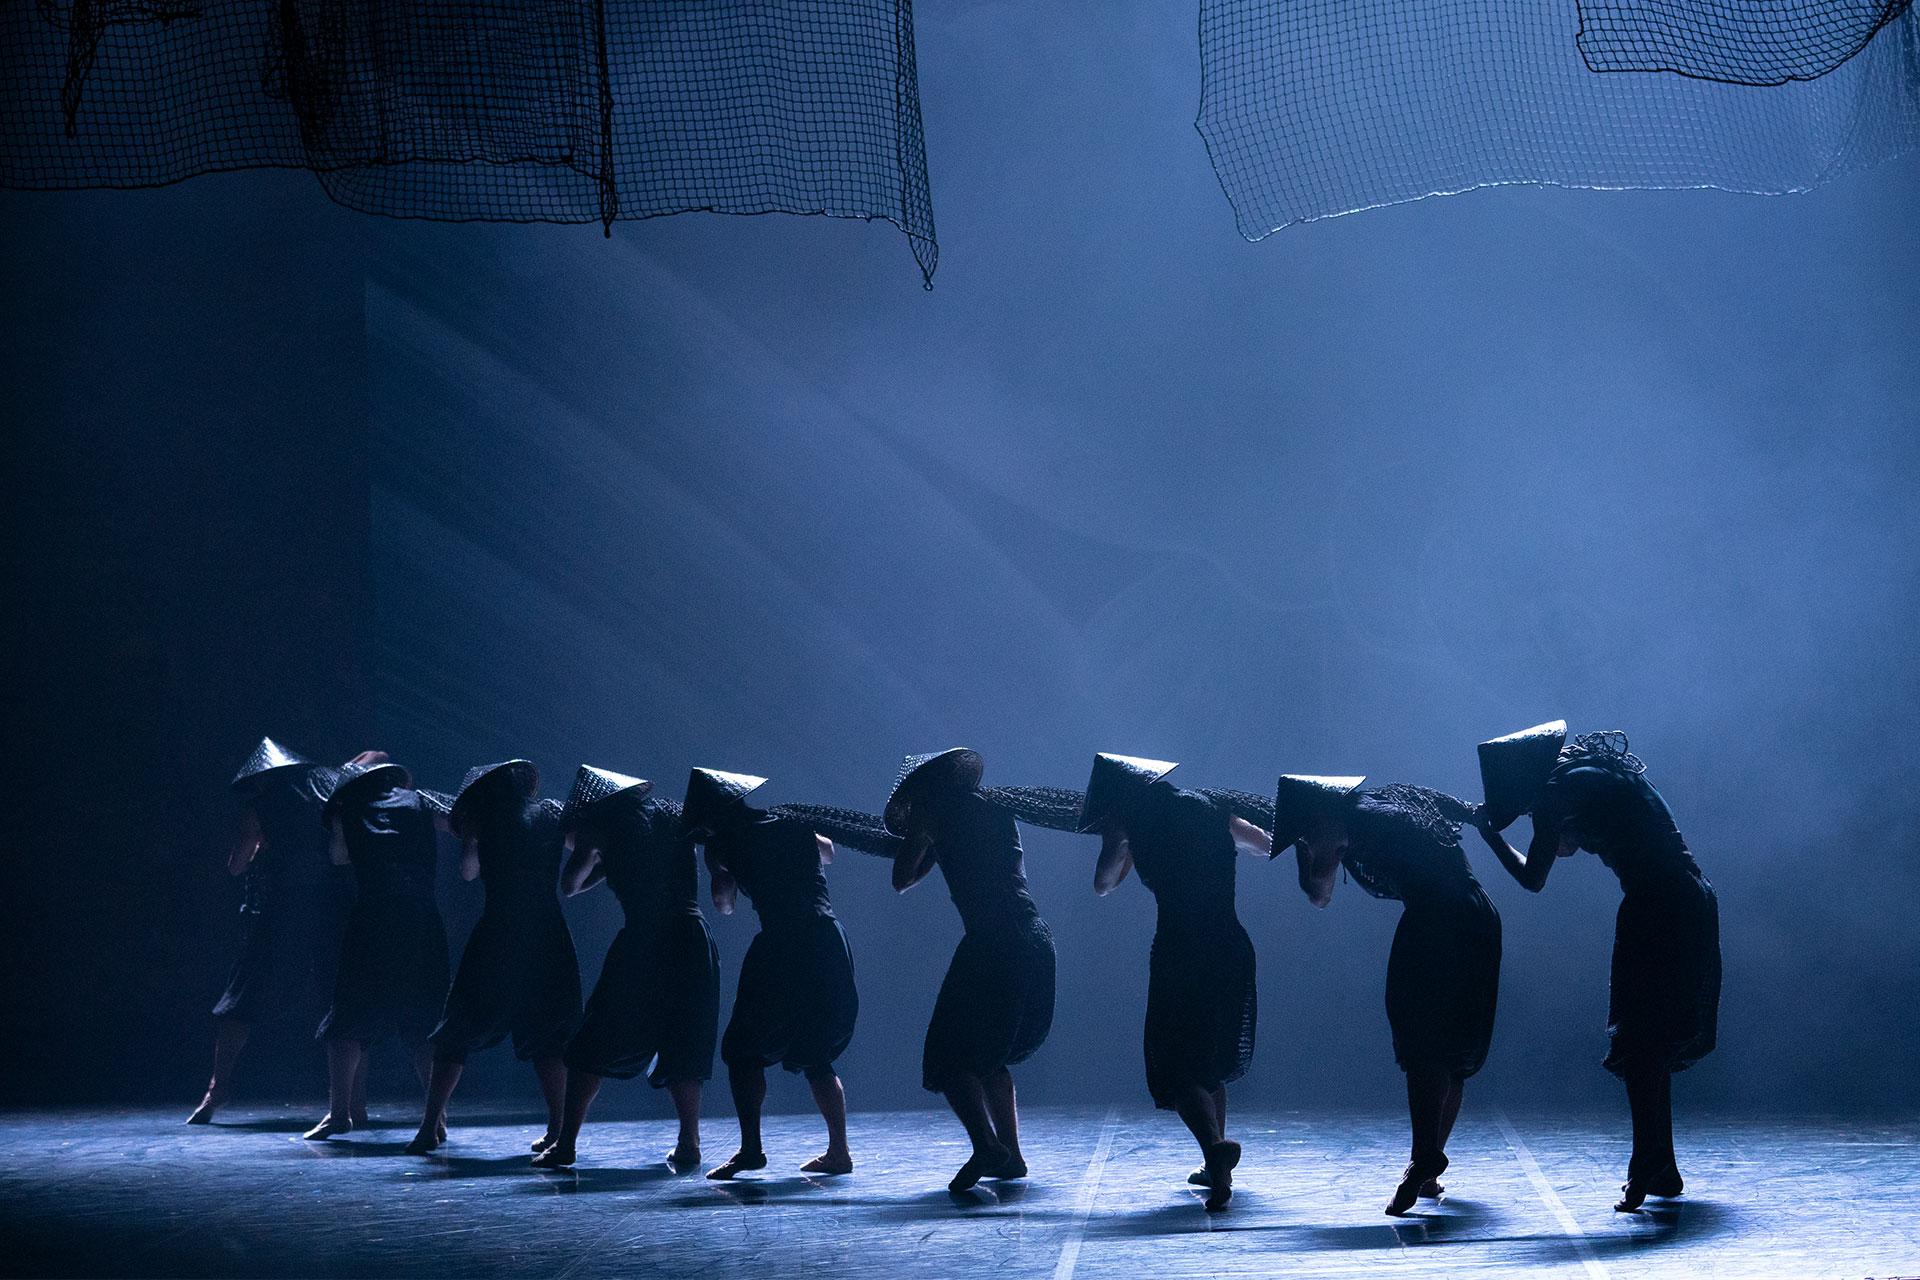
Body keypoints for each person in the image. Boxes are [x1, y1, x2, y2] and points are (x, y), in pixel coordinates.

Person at [1471, 722, 1720, 1211]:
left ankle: (1648, 1166)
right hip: (1691, 898)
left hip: (1659, 906)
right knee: (1650, 1046)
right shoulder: (1596, 775)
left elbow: (1533, 877)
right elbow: (1568, 843)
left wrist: (1488, 835)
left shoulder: (1556, 794)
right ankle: (1660, 1165)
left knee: (1643, 1044)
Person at [1281, 774, 1502, 1215]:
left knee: (1423, 1045)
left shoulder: (1365, 822)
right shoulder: (1391, 800)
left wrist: (1314, 856)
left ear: (1324, 814)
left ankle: (1423, 1159)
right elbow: (1464, 808)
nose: (1305, 839)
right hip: (1477, 916)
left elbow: (1318, 893)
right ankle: (1429, 1168)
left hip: (1439, 923)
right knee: (1450, 1048)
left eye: (1306, 831)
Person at [1084, 753, 1271, 1211]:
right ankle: (1217, 1168)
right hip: (1230, 946)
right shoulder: (1207, 807)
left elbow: (1102, 885)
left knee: (1175, 1067)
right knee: (1210, 1059)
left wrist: (1117, 841)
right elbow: (1264, 844)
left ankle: (1214, 1148)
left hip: (1181, 952)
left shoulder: (1136, 829)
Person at [883, 749, 1056, 1193]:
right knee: (989, 1054)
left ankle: (986, 1145)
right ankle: (1011, 1154)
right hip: (1033, 935)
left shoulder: (940, 822)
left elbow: (902, 878)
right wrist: (929, 837)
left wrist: (920, 834)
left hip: (993, 942)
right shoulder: (994, 809)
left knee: (948, 1057)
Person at [532, 766, 718, 1171]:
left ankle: (566, 1143)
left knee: (592, 1042)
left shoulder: (602, 833)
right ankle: (690, 1141)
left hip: (646, 941)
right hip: (690, 937)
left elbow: (570, 885)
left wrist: (591, 850)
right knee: (683, 1040)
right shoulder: (671, 816)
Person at [682, 768, 858, 1180]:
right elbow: (828, 852)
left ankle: (751, 1149)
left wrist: (722, 870)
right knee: (816, 1051)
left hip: (783, 944)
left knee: (743, 1050)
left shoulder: (723, 845)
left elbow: (724, 906)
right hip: (825, 936)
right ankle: (838, 1150)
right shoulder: (789, 822)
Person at [407, 760, 581, 1154]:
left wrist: (470, 840)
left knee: (456, 1030)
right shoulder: (551, 813)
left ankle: (429, 1126)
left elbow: (469, 874)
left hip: (501, 931)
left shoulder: (486, 822)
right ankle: (557, 1128)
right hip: (548, 933)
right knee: (548, 1036)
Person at [188, 739, 354, 1124]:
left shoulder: (260, 805)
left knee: (241, 997)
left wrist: (261, 848)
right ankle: (349, 1103)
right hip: (329, 905)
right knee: (340, 998)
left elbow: (237, 864)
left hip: (283, 908)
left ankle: (218, 1089)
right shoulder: (323, 794)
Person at [304, 759, 451, 1140]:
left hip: (375, 919)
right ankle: (438, 1117)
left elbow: (339, 858)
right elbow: (455, 825)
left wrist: (337, 819)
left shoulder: (352, 809)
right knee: (422, 1023)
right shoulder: (420, 802)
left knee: (347, 1022)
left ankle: (339, 1114)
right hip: (420, 919)